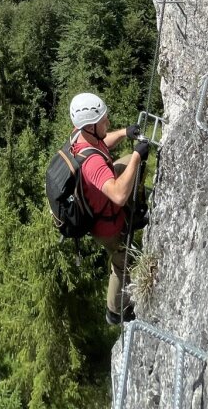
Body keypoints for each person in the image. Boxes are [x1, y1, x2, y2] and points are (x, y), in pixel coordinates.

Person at [69, 93, 150, 327]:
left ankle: (133, 216)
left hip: (101, 197)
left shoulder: (80, 136)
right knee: (122, 263)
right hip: (106, 224)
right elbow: (118, 194)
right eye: (104, 120)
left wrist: (126, 133)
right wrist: (136, 156)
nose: (108, 122)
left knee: (127, 165)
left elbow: (104, 142)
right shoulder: (92, 163)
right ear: (91, 126)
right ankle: (114, 312)